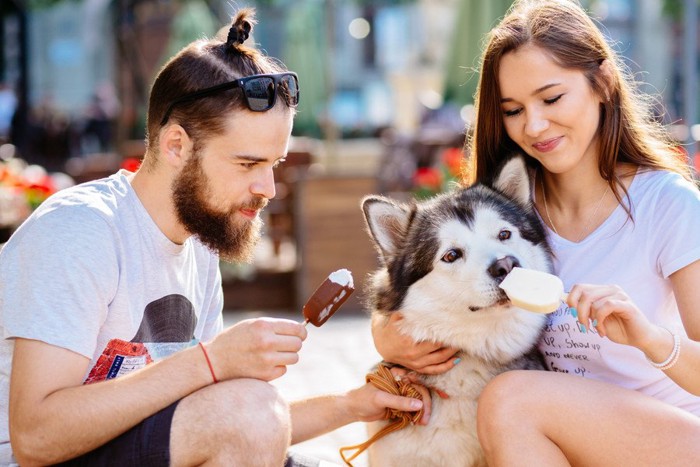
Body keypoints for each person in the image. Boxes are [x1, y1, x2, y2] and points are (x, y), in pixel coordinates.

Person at [0, 9, 424, 466]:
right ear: (177, 145)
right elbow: (34, 437)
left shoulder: (199, 245)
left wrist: (352, 404)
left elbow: (228, 426)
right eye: (247, 164)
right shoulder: (81, 231)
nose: (269, 189)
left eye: (273, 165)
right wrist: (210, 361)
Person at [372, 0, 700, 464]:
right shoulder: (504, 216)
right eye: (512, 109)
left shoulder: (668, 204)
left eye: (551, 98)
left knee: (511, 397)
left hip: (672, 441)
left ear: (603, 84)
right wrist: (386, 335)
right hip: (559, 442)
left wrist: (647, 336)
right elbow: (412, 284)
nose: (535, 125)